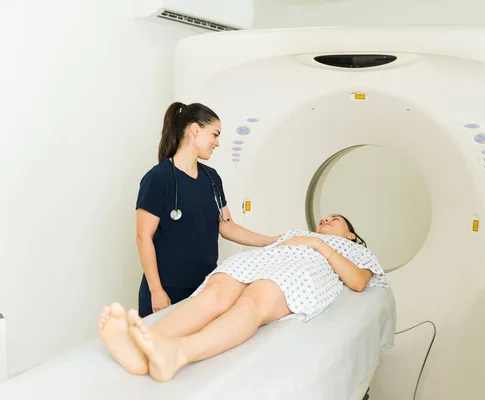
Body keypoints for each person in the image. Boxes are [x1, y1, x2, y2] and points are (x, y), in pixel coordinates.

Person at [98, 214, 388, 382]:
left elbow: (359, 281)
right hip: (263, 260)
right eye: (324, 217)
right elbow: (264, 242)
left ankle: (178, 352)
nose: (325, 219)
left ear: (350, 235)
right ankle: (138, 344)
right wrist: (294, 239)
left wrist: (317, 244)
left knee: (252, 301)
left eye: (335, 220)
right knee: (214, 295)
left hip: (302, 269)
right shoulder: (294, 233)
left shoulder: (354, 250)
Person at [135, 101, 279, 318]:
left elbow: (227, 227)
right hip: (167, 289)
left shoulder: (212, 178)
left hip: (204, 288)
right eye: (214, 134)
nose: (217, 143)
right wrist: (156, 291)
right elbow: (143, 237)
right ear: (195, 130)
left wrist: (270, 241)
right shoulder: (158, 178)